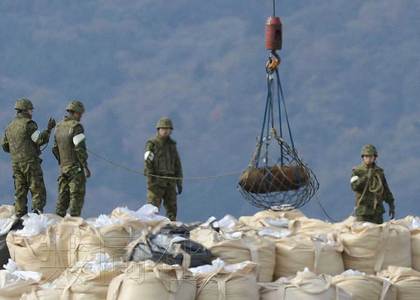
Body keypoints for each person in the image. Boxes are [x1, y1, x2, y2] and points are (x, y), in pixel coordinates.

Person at [1, 98, 55, 218]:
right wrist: (49, 129)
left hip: (16, 164)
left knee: (20, 190)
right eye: (30, 110)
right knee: (37, 188)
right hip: (30, 163)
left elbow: (5, 146)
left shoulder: (9, 127)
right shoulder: (29, 125)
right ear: (25, 111)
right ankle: (36, 213)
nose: (31, 112)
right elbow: (40, 140)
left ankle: (19, 214)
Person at [52, 100, 90, 217]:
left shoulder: (58, 127)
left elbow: (54, 148)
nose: (80, 117)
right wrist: (85, 166)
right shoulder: (76, 127)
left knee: (62, 198)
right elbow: (80, 149)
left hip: (63, 168)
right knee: (76, 196)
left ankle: (57, 221)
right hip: (75, 168)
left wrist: (62, 163)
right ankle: (73, 222)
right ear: (75, 113)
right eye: (80, 114)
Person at [144, 117, 183, 221]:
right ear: (158, 129)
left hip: (170, 180)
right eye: (163, 129)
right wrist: (150, 175)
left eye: (168, 129)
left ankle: (172, 224)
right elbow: (147, 159)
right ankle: (150, 224)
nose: (166, 131)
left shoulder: (172, 145)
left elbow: (177, 164)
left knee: (172, 206)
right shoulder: (152, 144)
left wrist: (179, 182)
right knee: (152, 206)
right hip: (156, 180)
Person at [350, 144, 395, 224]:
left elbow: (385, 190)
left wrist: (391, 204)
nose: (368, 159)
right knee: (363, 233)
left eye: (370, 156)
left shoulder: (379, 172)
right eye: (366, 156)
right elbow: (354, 186)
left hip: (377, 211)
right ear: (363, 157)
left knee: (377, 233)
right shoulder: (357, 171)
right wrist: (366, 177)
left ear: (374, 157)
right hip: (363, 211)